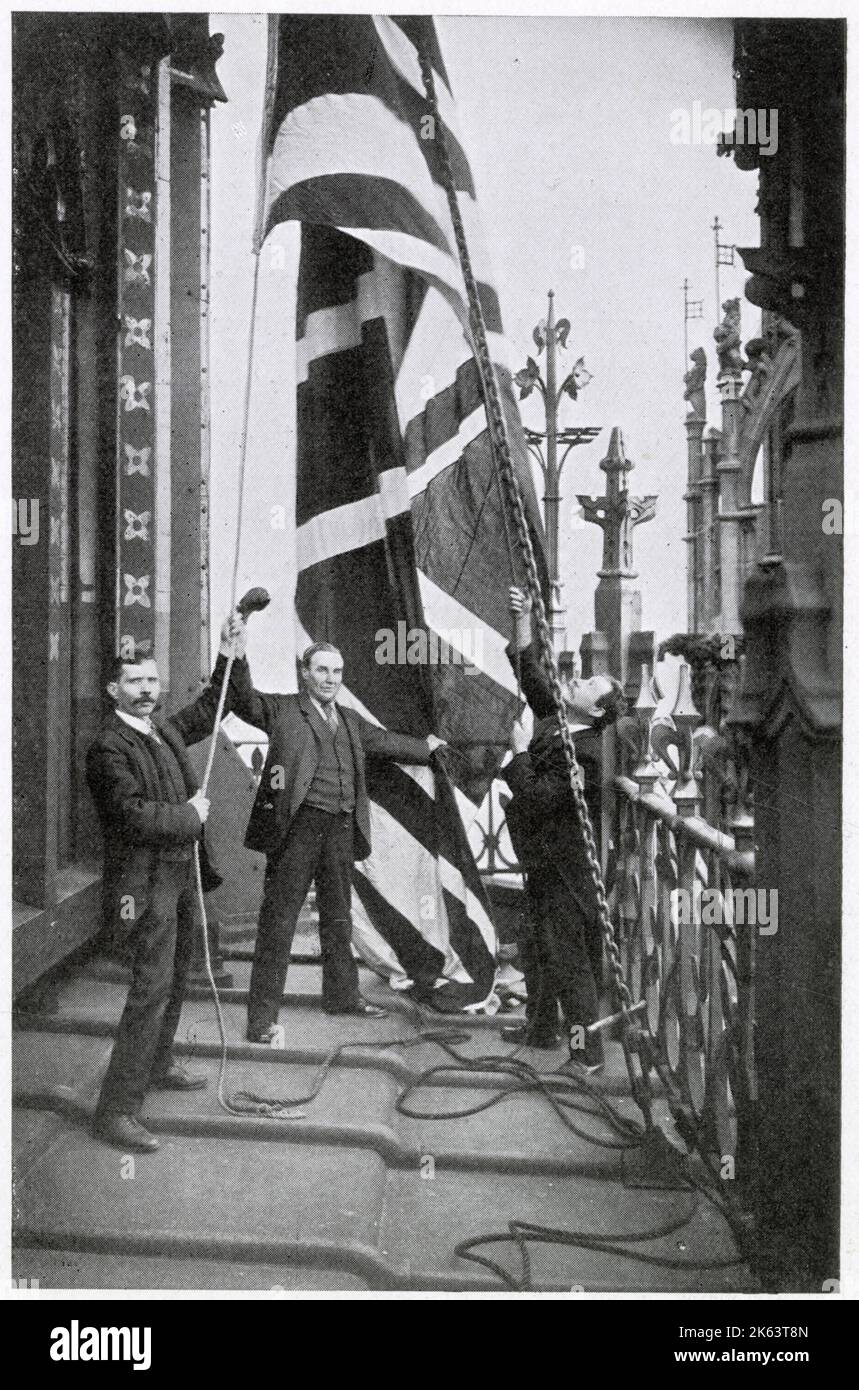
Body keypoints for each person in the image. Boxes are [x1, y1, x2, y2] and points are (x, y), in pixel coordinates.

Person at [223, 618, 446, 1041]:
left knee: (338, 917)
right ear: (305, 674)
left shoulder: (349, 719)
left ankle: (342, 996)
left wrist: (427, 749)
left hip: (341, 828)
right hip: (297, 831)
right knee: (279, 923)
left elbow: (384, 742)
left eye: (337, 672)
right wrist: (238, 654)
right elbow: (243, 699)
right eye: (322, 670)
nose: (330, 679)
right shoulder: (283, 709)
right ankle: (260, 1020)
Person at [86, 616, 245, 1153]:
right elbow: (130, 816)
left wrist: (227, 653)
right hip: (142, 883)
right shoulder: (108, 747)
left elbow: (207, 709)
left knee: (178, 977)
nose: (148, 689)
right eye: (135, 682)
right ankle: (116, 1110)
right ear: (114, 690)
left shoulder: (161, 729)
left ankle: (157, 1064)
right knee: (149, 989)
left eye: (152, 681)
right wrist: (191, 816)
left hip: (178, 876)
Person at [499, 586, 625, 1068]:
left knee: (567, 958)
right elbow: (532, 677)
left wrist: (520, 754)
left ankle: (585, 1054)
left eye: (590, 684)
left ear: (596, 711)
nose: (577, 681)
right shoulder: (560, 722)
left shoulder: (588, 752)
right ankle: (541, 1028)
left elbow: (541, 798)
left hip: (569, 872)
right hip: (545, 859)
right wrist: (524, 621)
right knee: (536, 943)